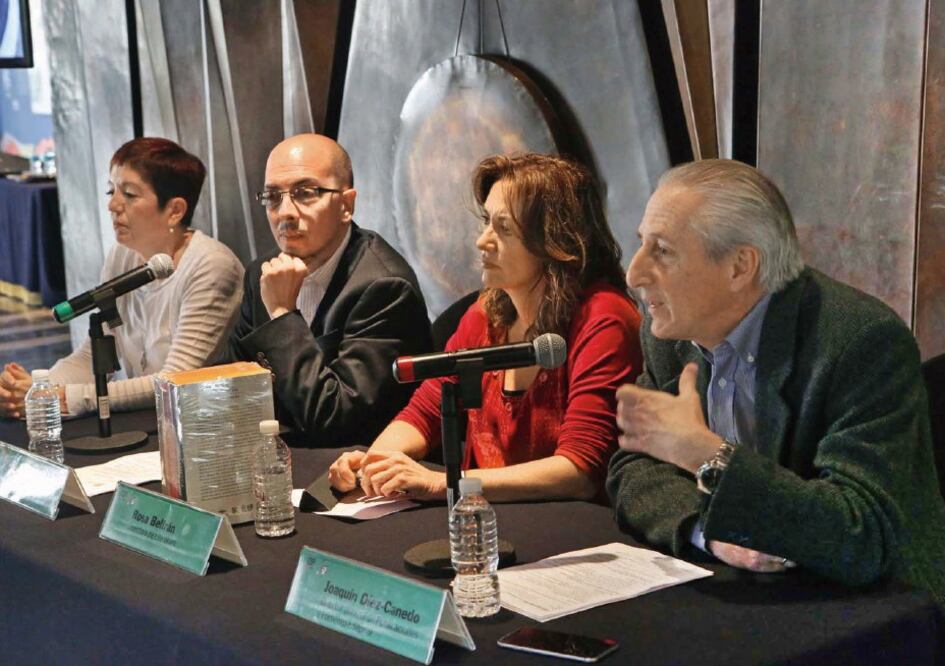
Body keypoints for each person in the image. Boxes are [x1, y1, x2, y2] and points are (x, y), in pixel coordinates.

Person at [607, 159, 945, 664]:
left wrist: (708, 456)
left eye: (661, 251)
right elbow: (633, 469)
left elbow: (859, 535)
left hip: (898, 624)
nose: (635, 272)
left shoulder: (858, 343)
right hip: (765, 612)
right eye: (642, 242)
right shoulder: (672, 334)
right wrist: (710, 534)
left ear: (739, 266)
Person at [329, 153, 643, 502]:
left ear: (555, 241)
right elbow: (425, 411)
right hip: (487, 522)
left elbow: (580, 471)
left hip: (572, 534)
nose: (483, 241)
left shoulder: (603, 319)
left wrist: (444, 483)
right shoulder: (486, 312)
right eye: (486, 221)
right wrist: (377, 463)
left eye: (504, 228)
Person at [0, 138, 243, 417]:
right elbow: (95, 354)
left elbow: (174, 381)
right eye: (111, 191)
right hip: (150, 420)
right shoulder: (124, 255)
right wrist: (37, 389)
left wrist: (63, 398)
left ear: (175, 210)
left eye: (129, 194)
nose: (113, 205)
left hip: (205, 424)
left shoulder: (211, 267)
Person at [226, 134, 431, 444]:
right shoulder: (263, 272)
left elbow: (334, 419)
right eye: (273, 196)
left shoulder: (384, 288)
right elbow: (233, 383)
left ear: (346, 204)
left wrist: (282, 314)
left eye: (305, 193)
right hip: (281, 455)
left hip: (360, 467)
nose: (285, 212)